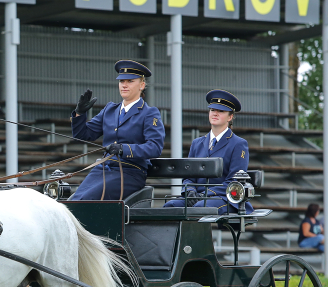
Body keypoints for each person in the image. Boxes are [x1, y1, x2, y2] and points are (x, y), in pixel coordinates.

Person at [69, 60, 164, 200]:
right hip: (102, 169)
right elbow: (83, 135)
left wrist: (123, 149)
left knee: (86, 200)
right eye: (121, 81)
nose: (124, 85)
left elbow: (155, 147)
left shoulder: (149, 113)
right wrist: (79, 114)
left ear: (142, 85)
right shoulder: (110, 109)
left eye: (130, 81)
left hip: (130, 172)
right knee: (73, 201)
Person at [163, 90, 252, 215]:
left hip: (223, 197)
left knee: (200, 207)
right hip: (197, 197)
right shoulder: (197, 143)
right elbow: (188, 176)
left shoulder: (238, 144)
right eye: (212, 110)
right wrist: (190, 191)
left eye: (221, 111)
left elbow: (233, 181)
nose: (215, 113)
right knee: (170, 206)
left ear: (230, 117)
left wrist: (205, 194)